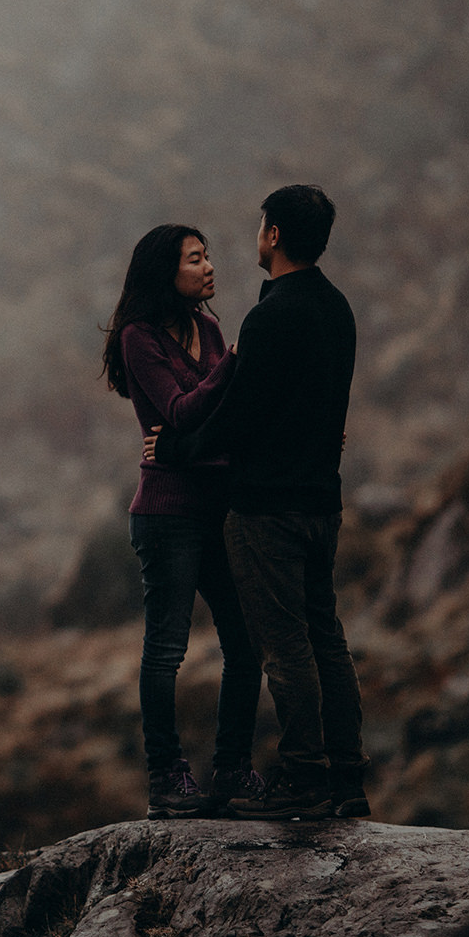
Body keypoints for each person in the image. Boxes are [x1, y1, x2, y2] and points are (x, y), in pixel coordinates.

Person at [152, 185, 369, 821]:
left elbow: (240, 417)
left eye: (260, 225)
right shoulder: (338, 310)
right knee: (327, 639)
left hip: (266, 509)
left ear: (273, 235)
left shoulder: (270, 318)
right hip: (321, 504)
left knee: (286, 647)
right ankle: (347, 778)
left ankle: (303, 777)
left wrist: (177, 447)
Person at [101, 223, 264, 819]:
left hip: (217, 507)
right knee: (166, 650)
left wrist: (179, 442)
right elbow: (183, 411)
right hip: (168, 514)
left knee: (246, 644)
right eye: (195, 259)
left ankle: (232, 772)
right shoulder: (140, 339)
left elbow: (222, 416)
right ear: (164, 273)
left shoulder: (210, 328)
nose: (209, 267)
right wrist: (235, 365)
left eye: (208, 256)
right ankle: (167, 779)